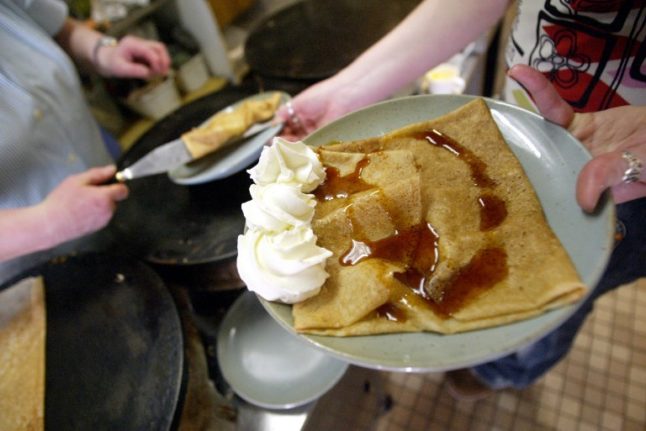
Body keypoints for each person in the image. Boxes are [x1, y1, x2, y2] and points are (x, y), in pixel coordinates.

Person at [278, 0, 646, 398]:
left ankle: (506, 373)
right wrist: (350, 90)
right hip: (520, 124)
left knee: (554, 309)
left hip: (627, 172)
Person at [0, 0, 171, 283]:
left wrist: (103, 51)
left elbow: (58, 28)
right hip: (39, 286)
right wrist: (47, 223)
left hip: (113, 215)